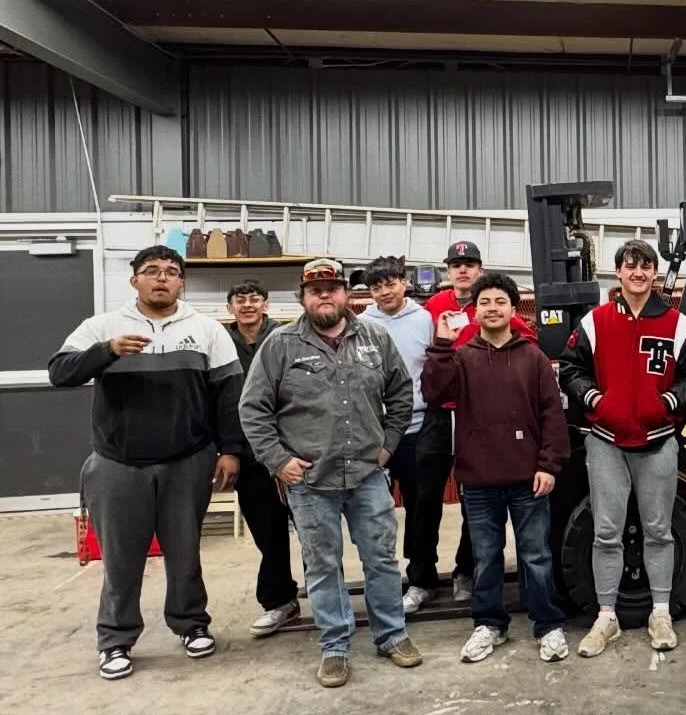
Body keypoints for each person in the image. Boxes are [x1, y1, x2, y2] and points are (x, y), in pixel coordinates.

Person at [49, 245, 244, 681]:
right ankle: (116, 639)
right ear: (134, 279)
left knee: (184, 552)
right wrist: (107, 351)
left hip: (187, 461)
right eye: (152, 271)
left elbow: (229, 397)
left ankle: (190, 624)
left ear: (181, 283)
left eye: (172, 272)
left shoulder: (207, 330)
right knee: (121, 558)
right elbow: (60, 372)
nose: (162, 278)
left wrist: (229, 450)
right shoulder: (103, 327)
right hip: (118, 464)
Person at [239, 258, 423, 688]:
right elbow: (253, 409)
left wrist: (388, 446)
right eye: (315, 289)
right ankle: (335, 646)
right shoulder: (280, 344)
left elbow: (400, 392)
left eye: (333, 288)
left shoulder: (375, 338)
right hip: (309, 481)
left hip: (367, 474)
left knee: (381, 559)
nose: (325, 295)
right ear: (303, 297)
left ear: (346, 294)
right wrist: (277, 460)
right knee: (322, 564)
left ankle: (391, 635)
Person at [558, 238, 686, 658]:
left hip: (659, 443)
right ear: (619, 273)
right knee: (606, 532)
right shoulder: (595, 321)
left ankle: (660, 612)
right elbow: (571, 368)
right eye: (630, 266)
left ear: (654, 274)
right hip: (605, 443)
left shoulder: (679, 325)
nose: (638, 273)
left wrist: (669, 402)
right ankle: (606, 617)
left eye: (645, 266)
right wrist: (594, 400)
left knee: (659, 530)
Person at [421, 273, 570, 664]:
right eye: (484, 302)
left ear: (511, 309)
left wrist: (548, 464)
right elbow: (435, 394)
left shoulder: (532, 357)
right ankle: (489, 625)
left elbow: (552, 415)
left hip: (528, 479)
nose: (491, 308)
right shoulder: (462, 356)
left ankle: (547, 624)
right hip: (479, 481)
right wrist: (440, 345)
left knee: (536, 555)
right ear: (476, 310)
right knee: (486, 557)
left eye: (499, 302)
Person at [409, 240, 536, 612]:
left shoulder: (494, 307)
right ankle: (421, 578)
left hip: (477, 416)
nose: (462, 270)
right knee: (424, 498)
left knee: (473, 498)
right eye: (456, 264)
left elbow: (525, 344)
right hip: (438, 413)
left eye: (469, 263)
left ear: (480, 269)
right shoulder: (433, 307)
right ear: (448, 270)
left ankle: (466, 571)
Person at [358, 256, 437, 608]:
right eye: (376, 287)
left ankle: (421, 579)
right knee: (373, 511)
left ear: (403, 283)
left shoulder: (426, 320)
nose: (384, 292)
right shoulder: (359, 324)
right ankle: (383, 580)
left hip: (418, 429)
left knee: (422, 508)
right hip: (374, 432)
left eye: (390, 283)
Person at [223, 279, 300, 637]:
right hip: (251, 455)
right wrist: (228, 450)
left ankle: (329, 595)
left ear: (266, 304)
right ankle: (279, 600)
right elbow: (220, 403)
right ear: (230, 308)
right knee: (268, 534)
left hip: (296, 450)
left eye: (255, 299)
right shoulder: (220, 341)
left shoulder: (287, 336)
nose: (248, 305)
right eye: (241, 300)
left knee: (317, 533)